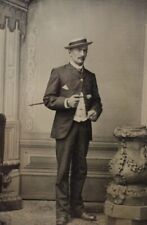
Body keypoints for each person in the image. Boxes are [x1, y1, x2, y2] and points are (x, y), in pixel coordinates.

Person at [43, 37, 102, 225]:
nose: (82, 54)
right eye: (78, 50)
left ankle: (77, 207)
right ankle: (62, 213)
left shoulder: (91, 76)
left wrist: (94, 111)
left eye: (85, 50)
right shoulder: (59, 72)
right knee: (62, 172)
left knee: (80, 169)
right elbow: (48, 99)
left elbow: (97, 101)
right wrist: (66, 102)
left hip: (83, 129)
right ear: (70, 52)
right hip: (64, 130)